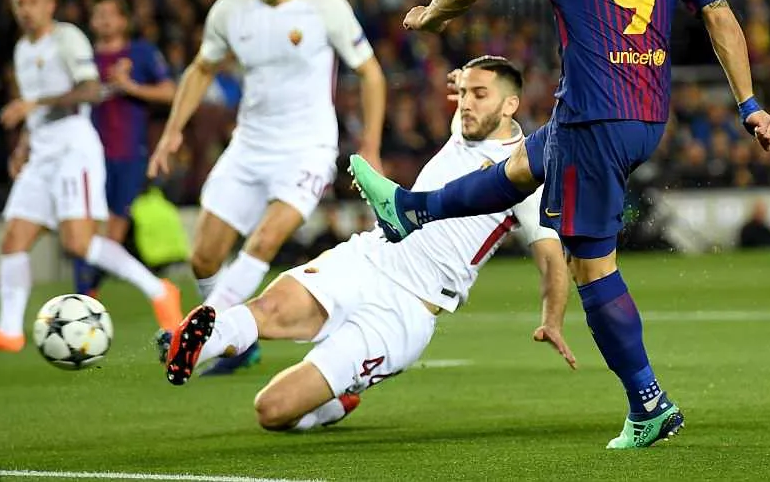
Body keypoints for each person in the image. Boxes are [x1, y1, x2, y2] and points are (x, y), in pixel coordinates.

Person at [349, 0, 770, 448]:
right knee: (524, 163)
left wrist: (430, 17)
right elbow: (721, 16)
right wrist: (749, 103)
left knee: (590, 265)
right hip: (645, 115)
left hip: (594, 116)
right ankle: (412, 210)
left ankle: (649, 403)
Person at [162, 56, 575, 432]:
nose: (466, 104)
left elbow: (551, 259)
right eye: (463, 93)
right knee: (271, 308)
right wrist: (464, 81)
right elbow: (469, 98)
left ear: (510, 105)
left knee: (272, 410)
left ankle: (331, 405)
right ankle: (200, 343)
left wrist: (552, 319)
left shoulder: (525, 175)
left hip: (407, 310)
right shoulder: (463, 128)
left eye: (479, 95)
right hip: (367, 259)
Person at [148, 0, 387, 375]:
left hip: (308, 148)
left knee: (263, 240)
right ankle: (239, 342)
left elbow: (371, 73)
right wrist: (172, 131)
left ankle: (200, 337)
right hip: (249, 147)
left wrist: (371, 146)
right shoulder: (229, 10)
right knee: (203, 258)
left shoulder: (326, 7)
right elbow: (201, 69)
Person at [0, 0, 182, 354]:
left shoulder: (68, 38)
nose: (25, 9)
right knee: (14, 239)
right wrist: (23, 145)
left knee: (79, 242)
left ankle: (160, 291)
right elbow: (33, 105)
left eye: (33, 1)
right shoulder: (22, 50)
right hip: (41, 152)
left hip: (73, 149)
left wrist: (35, 105)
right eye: (19, 3)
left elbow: (90, 90)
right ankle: (9, 330)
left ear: (50, 5)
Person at [72, 0, 177, 296]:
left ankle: (88, 295)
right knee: (84, 229)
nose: (104, 20)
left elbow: (170, 92)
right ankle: (84, 296)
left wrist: (130, 87)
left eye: (110, 13)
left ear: (123, 20)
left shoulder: (141, 53)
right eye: (98, 14)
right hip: (87, 155)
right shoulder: (83, 59)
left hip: (129, 154)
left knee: (114, 234)